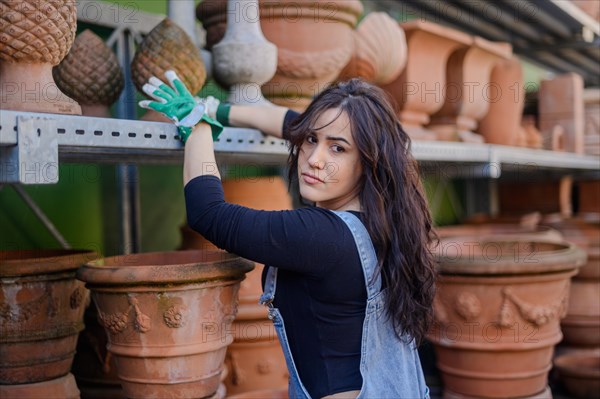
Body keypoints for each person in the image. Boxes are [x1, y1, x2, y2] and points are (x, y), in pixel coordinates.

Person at [140, 71, 436, 399]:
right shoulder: (386, 222)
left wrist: (197, 127)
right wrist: (215, 108)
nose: (314, 159)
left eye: (337, 149)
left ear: (368, 161)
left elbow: (209, 214)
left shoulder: (321, 236)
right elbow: (292, 122)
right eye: (311, 141)